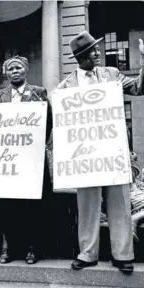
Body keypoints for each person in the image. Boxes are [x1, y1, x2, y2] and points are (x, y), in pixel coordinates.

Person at [56, 31, 144, 274]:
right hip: (85, 155)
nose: (98, 53)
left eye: (97, 49)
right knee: (88, 205)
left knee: (120, 203)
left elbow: (138, 88)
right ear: (80, 56)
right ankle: (87, 253)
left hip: (113, 151)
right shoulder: (66, 86)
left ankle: (123, 254)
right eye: (93, 50)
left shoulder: (112, 74)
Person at [0, 56, 52, 264]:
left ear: (26, 70)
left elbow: (48, 123)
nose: (14, 71)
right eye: (10, 69)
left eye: (18, 68)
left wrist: (33, 144)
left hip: (32, 158)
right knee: (7, 205)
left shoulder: (39, 93)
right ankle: (7, 247)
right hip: (8, 160)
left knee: (32, 206)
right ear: (5, 73)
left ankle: (32, 248)